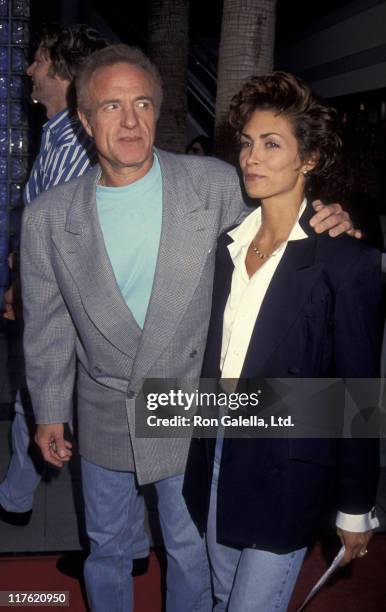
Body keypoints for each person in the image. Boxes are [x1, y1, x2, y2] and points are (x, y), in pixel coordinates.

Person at [20, 45, 358, 612]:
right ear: (83, 119)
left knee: (188, 547)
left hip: (184, 403)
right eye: (111, 107)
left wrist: (329, 217)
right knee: (105, 547)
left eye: (143, 103)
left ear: (156, 111)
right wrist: (49, 408)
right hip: (102, 403)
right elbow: (49, 324)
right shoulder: (49, 217)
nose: (130, 121)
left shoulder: (213, 185)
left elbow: (277, 232)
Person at [183, 72, 381, 611]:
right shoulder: (228, 247)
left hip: (289, 469)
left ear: (309, 159)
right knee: (224, 597)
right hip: (219, 447)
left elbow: (360, 394)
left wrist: (356, 506)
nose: (252, 157)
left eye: (272, 145)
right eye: (248, 143)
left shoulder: (347, 262)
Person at [0, 26, 149, 571]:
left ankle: (123, 546)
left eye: (37, 60)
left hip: (78, 309)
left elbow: (62, 237)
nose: (27, 71)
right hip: (73, 305)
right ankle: (20, 501)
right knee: (46, 403)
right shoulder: (60, 136)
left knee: (76, 412)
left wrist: (28, 290)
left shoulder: (76, 142)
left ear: (61, 68)